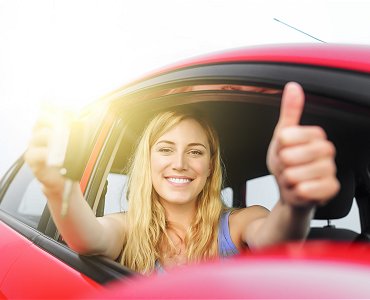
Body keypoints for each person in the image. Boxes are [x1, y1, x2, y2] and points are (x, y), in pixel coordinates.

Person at [25, 82, 339, 274]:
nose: (179, 164)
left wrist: (294, 204)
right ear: (148, 161)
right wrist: (58, 186)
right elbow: (88, 237)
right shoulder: (128, 227)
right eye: (165, 149)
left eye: (195, 152)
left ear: (210, 165)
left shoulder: (242, 222)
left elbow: (275, 239)